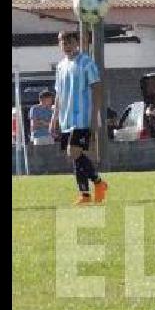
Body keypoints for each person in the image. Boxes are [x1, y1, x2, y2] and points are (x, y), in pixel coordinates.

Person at [50, 31, 110, 206]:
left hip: (82, 117)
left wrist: (94, 116)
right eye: (63, 43)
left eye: (70, 42)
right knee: (75, 156)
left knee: (73, 152)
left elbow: (97, 89)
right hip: (66, 118)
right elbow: (59, 94)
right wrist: (54, 118)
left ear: (77, 43)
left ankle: (92, 189)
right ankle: (92, 189)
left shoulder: (86, 63)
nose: (66, 46)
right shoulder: (61, 66)